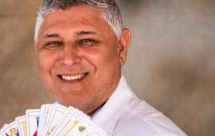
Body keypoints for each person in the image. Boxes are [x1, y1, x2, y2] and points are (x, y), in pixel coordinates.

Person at [34, 0, 187, 135]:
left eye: (87, 40)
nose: (68, 60)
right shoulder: (35, 130)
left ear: (121, 47)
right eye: (53, 43)